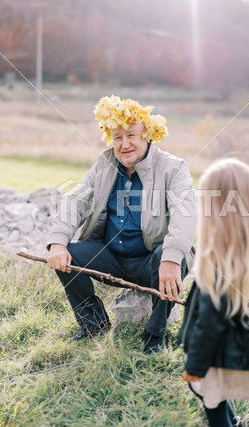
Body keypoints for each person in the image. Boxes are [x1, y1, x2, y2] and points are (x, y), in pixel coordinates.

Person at [47, 95, 197, 354]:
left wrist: (172, 259)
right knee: (66, 254)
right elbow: (76, 202)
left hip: (150, 260)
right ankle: (93, 324)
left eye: (131, 135)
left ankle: (154, 334)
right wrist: (58, 241)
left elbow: (185, 216)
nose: (124, 144)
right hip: (110, 257)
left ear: (147, 136)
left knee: (172, 256)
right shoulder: (104, 165)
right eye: (117, 137)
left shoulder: (173, 168)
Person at [178, 158, 249, 426]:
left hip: (213, 356)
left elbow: (209, 325)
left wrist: (194, 367)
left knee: (211, 402)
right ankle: (235, 422)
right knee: (217, 397)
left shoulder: (216, 261)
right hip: (240, 346)